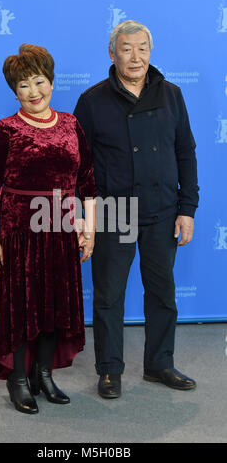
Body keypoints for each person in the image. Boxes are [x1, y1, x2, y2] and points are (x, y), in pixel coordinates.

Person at [74, 20, 199, 398]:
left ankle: (160, 363)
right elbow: (80, 165)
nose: (136, 56)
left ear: (151, 50)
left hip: (162, 210)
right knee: (109, 296)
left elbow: (185, 152)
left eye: (142, 48)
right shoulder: (93, 100)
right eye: (127, 48)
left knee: (162, 293)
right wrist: (85, 217)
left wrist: (187, 207)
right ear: (112, 54)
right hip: (115, 211)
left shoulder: (172, 95)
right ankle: (109, 370)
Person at [0, 44, 97, 414]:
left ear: (51, 82)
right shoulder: (6, 130)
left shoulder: (70, 124)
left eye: (39, 81)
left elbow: (88, 183)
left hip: (62, 229)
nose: (34, 92)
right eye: (24, 86)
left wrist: (89, 230)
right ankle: (18, 380)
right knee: (21, 306)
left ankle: (43, 375)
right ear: (14, 91)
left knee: (54, 305)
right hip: (18, 233)